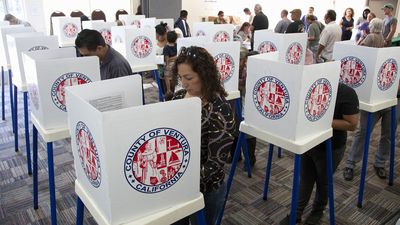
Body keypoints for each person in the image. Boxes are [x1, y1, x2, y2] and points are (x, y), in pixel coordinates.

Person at [171, 46, 235, 225]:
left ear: (205, 75)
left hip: (206, 187)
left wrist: (175, 179)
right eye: (181, 77)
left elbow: (214, 164)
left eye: (189, 78)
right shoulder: (178, 97)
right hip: (178, 182)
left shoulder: (220, 109)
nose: (183, 84)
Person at [280, 82, 359, 225]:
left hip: (331, 146)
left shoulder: (346, 92)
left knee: (323, 182)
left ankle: (318, 210)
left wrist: (318, 120)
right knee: (305, 179)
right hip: (308, 142)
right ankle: (296, 214)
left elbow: (352, 124)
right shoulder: (307, 85)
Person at [343, 18, 390, 182]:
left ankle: (378, 163)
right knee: (363, 131)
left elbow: (360, 52)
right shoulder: (382, 39)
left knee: (386, 134)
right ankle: (351, 163)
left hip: (388, 95)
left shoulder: (371, 37)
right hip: (373, 90)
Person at [163, 31, 178, 98]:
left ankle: (168, 90)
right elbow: (178, 56)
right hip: (177, 64)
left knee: (166, 76)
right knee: (174, 77)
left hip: (170, 65)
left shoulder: (166, 47)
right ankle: (174, 90)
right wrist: (175, 57)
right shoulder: (176, 45)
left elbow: (167, 60)